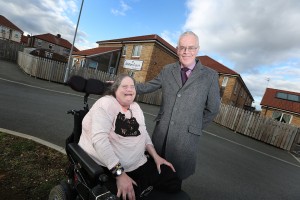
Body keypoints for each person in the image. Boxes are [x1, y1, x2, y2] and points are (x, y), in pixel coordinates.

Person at [78, 74, 181, 200]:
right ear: (115, 89)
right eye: (124, 86)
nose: (129, 89)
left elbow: (144, 134)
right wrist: (120, 175)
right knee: (129, 195)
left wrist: (156, 157)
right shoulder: (106, 104)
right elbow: (99, 141)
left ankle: (142, 188)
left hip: (138, 163)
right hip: (112, 167)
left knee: (174, 181)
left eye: (132, 86)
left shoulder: (135, 107)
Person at [136, 31, 221, 181]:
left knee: (173, 184)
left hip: (185, 142)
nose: (186, 52)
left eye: (191, 48)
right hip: (161, 136)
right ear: (177, 49)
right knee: (151, 177)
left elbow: (213, 109)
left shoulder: (210, 76)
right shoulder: (167, 70)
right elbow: (148, 86)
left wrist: (195, 127)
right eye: (182, 47)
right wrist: (125, 86)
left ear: (197, 49)